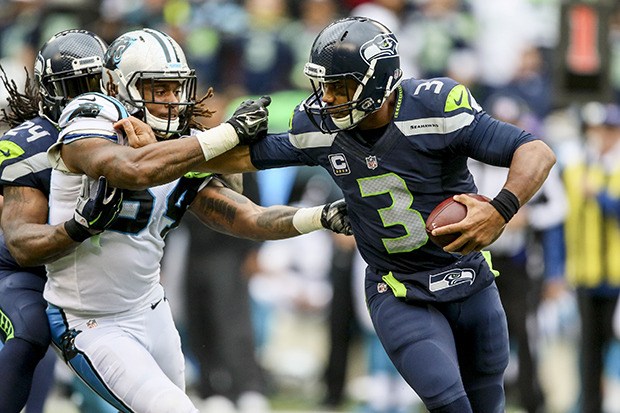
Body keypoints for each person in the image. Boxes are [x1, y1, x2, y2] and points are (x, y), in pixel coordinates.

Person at [162, 17, 555, 412]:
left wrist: (500, 211)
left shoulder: (435, 107)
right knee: (451, 405)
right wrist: (183, 147)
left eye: (338, 86)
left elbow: (536, 151)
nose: (327, 98)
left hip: (470, 278)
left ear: (379, 83)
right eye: (323, 86)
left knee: (490, 404)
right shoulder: (320, 127)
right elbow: (238, 157)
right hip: (401, 289)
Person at [44, 28, 352, 413]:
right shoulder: (95, 113)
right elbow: (132, 169)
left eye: (178, 88)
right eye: (160, 89)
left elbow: (246, 217)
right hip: (91, 319)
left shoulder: (180, 147)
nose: (173, 101)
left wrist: (320, 216)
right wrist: (227, 134)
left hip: (149, 310)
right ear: (118, 86)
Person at [0, 29, 121, 413]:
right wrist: (78, 227)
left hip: (93, 272)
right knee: (30, 331)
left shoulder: (128, 132)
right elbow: (21, 247)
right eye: (75, 87)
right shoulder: (28, 145)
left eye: (96, 84)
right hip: (24, 271)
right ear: (52, 92)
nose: (88, 98)